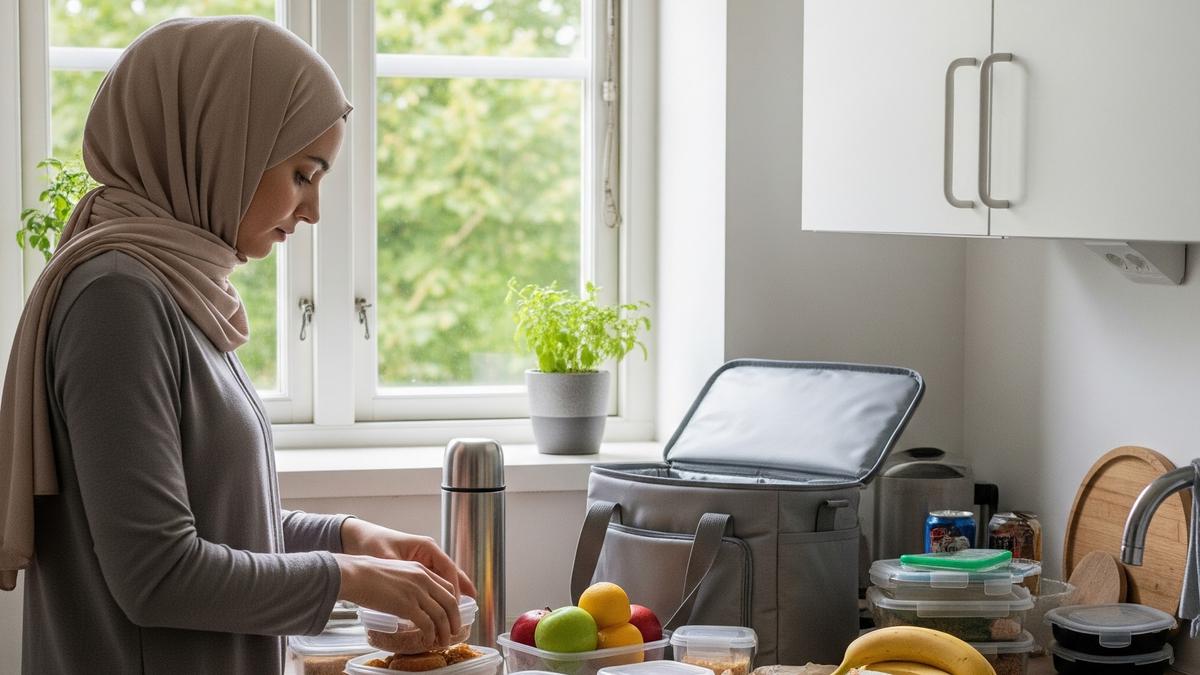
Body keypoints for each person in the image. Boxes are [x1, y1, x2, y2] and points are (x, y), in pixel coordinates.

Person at [0, 16, 476, 674]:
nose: (313, 210)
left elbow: (214, 521)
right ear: (226, 145)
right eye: (305, 173)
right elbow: (158, 572)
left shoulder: (172, 286)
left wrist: (348, 536)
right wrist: (346, 575)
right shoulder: (116, 299)